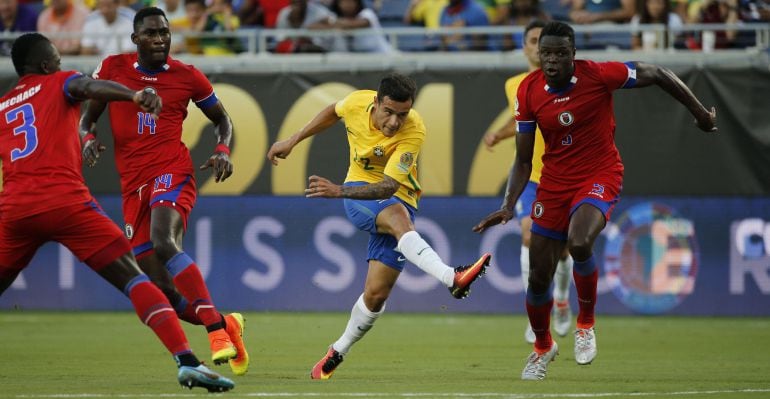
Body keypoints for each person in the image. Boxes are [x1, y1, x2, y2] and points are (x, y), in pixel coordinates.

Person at [473, 21, 717, 380]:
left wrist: (699, 114)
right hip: (554, 182)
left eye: (559, 53)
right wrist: (509, 204)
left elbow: (658, 73)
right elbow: (524, 159)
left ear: (574, 53)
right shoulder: (527, 91)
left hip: (599, 174)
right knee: (538, 278)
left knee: (579, 241)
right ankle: (542, 348)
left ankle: (585, 324)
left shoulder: (600, 75)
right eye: (546, 53)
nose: (552, 60)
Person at [0, 32, 234, 393]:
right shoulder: (62, 81)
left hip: (14, 209)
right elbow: (88, 89)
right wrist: (133, 95)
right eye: (58, 63)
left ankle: (217, 328)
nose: (63, 67)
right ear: (48, 66)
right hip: (66, 202)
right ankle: (188, 361)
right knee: (137, 280)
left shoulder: (2, 107)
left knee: (161, 249)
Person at [267, 73, 492, 380]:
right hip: (357, 191)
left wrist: (336, 191)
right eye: (389, 112)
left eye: (403, 114)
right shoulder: (358, 102)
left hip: (395, 195)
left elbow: (388, 187)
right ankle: (451, 277)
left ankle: (338, 350)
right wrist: (293, 140)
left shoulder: (415, 129)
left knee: (375, 295)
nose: (395, 122)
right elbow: (334, 110)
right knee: (401, 221)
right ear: (375, 103)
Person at [79, 7, 249, 377]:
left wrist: (222, 149)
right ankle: (225, 322)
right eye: (152, 34)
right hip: (132, 187)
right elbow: (87, 117)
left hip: (172, 171)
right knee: (164, 291)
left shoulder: (188, 76)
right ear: (135, 39)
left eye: (165, 33)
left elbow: (222, 119)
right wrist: (87, 137)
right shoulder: (112, 68)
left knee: (164, 241)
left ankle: (218, 334)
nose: (160, 40)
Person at [482, 19, 574, 345]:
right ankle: (538, 312)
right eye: (533, 41)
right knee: (527, 236)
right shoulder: (514, 85)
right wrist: (501, 132)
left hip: (563, 176)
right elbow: (522, 116)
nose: (537, 47)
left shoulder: (568, 82)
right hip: (532, 177)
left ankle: (562, 300)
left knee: (562, 252)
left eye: (542, 41)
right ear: (524, 47)